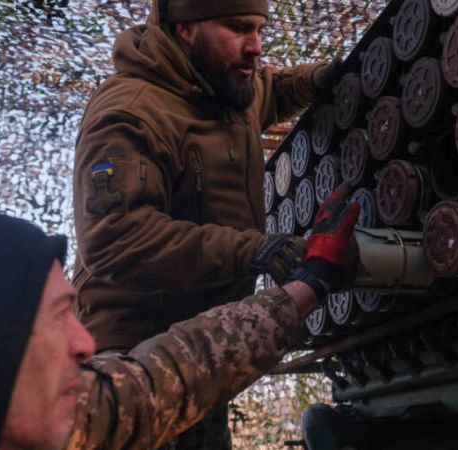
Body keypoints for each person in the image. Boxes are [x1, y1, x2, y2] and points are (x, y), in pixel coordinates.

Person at [0, 186, 359, 450]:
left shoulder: (15, 406)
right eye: (60, 316)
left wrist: (306, 287)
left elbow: (162, 378)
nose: (84, 344)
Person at [73, 0, 339, 446]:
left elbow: (270, 90)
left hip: (204, 347)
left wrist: (320, 79)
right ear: (185, 28)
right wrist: (252, 250)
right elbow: (115, 239)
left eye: (259, 29)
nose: (255, 46)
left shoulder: (223, 81)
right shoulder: (131, 113)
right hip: (134, 359)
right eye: (238, 28)